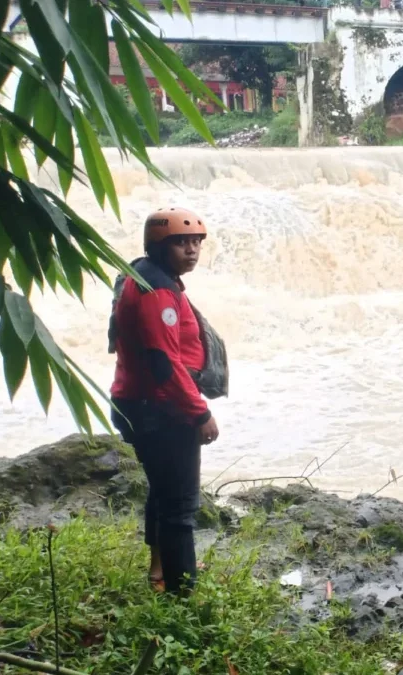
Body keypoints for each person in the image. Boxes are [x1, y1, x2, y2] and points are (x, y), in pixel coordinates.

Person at [108, 206, 228, 594]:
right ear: (159, 246)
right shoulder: (157, 291)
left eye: (196, 242)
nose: (192, 250)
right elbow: (164, 362)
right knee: (179, 506)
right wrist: (199, 413)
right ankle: (182, 594)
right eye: (181, 242)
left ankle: (159, 572)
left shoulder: (142, 274)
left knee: (162, 492)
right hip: (161, 409)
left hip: (139, 402)